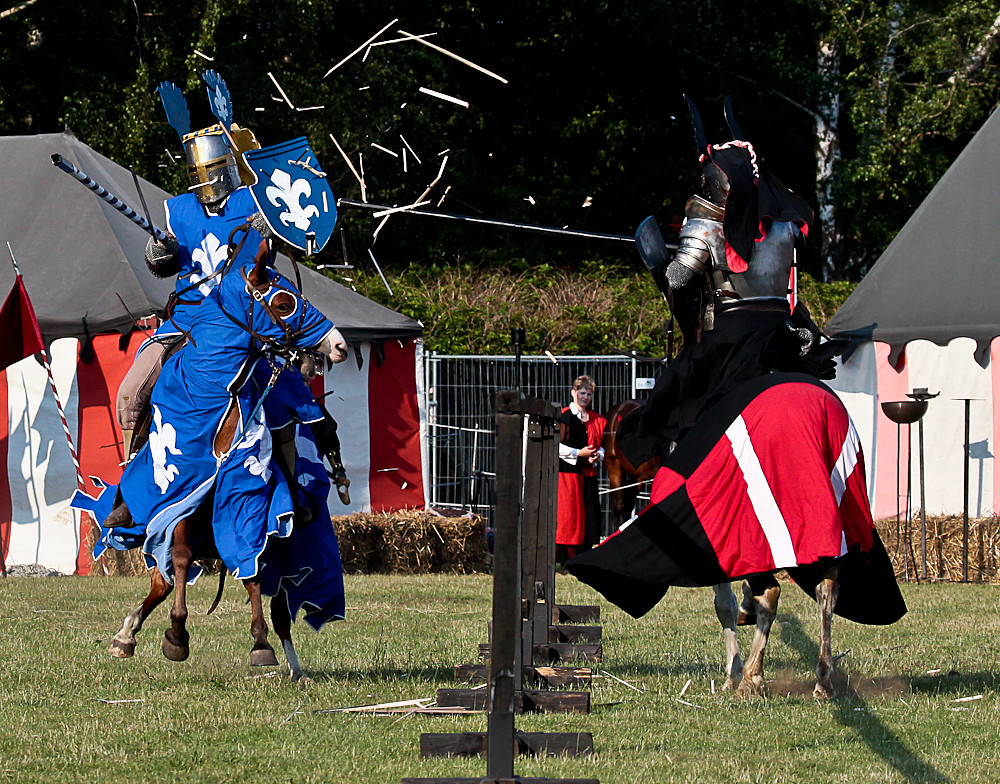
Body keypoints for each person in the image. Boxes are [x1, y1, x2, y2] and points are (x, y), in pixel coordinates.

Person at [556, 375, 607, 565]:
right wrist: (580, 453)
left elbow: (602, 445)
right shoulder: (563, 416)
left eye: (589, 394)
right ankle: (565, 557)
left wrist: (597, 456)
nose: (585, 397)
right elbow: (556, 447)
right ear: (573, 393)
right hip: (568, 475)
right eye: (582, 393)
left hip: (589, 475)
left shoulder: (598, 420)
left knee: (590, 516)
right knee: (568, 516)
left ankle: (586, 556)